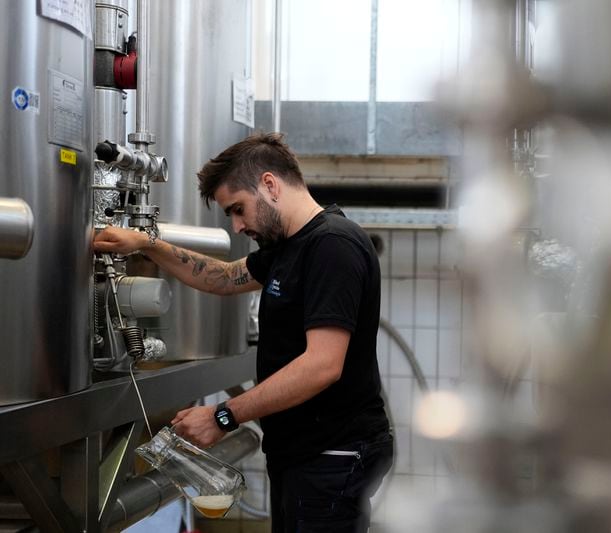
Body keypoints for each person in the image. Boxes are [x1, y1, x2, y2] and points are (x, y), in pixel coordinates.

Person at [94, 132, 393, 532]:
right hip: (306, 452)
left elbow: (322, 365)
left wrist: (221, 416)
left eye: (238, 209)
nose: (236, 226)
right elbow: (224, 277)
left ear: (269, 184)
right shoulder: (292, 245)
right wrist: (147, 244)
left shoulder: (332, 246)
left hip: (332, 454)